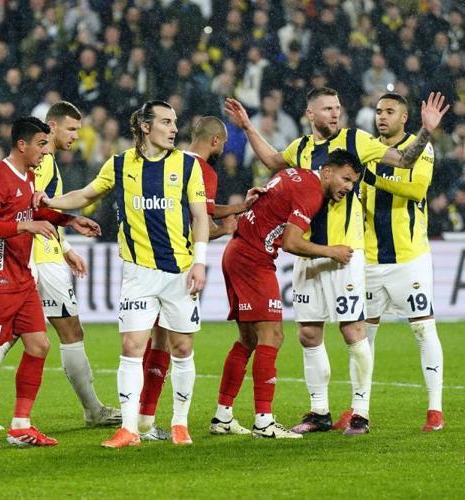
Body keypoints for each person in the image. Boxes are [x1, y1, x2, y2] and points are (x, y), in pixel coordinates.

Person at [225, 88, 448, 435]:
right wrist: (247, 127)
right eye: (327, 108)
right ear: (310, 114)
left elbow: (404, 160)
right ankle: (319, 412)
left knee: (354, 331)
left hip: (345, 254)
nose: (334, 113)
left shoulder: (356, 141)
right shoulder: (300, 147)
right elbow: (272, 161)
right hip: (307, 252)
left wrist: (426, 130)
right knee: (308, 333)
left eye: (337, 108)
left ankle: (360, 412)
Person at [34, 100, 210, 448]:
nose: (174, 129)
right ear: (145, 127)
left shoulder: (188, 166)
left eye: (175, 122)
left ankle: (180, 423)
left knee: (182, 346)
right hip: (137, 273)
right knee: (131, 346)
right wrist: (51, 202)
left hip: (179, 271)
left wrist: (201, 262)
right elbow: (85, 194)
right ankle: (129, 428)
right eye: (166, 122)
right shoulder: (120, 164)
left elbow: (201, 216)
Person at [0, 101, 121, 431]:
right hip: (39, 261)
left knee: (18, 337)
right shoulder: (39, 163)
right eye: (71, 129)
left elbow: (39, 211)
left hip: (42, 256)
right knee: (67, 332)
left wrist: (67, 242)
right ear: (52, 127)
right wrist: (39, 258)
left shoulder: (44, 163)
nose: (75, 135)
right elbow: (29, 211)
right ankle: (92, 410)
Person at [214, 149, 362, 439]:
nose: (348, 187)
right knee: (273, 336)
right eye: (345, 179)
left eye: (353, 183)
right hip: (253, 259)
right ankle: (264, 421)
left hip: (237, 251)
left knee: (248, 340)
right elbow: (292, 243)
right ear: (327, 171)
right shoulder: (311, 192)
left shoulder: (295, 175)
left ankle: (223, 415)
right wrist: (331, 251)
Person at [135, 116, 258, 441]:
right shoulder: (202, 170)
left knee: (151, 341)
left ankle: (143, 419)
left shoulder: (169, 160)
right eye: (223, 143)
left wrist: (234, 209)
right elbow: (199, 222)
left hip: (147, 262)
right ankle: (165, 421)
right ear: (215, 141)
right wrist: (226, 227)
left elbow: (194, 210)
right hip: (179, 266)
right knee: (176, 344)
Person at [360, 93, 444, 432]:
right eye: (379, 111)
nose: (382, 117)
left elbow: (417, 188)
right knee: (362, 336)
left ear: (404, 118)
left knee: (423, 329)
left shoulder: (421, 148)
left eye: (390, 111)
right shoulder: (367, 148)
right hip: (369, 259)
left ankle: (435, 409)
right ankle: (359, 409)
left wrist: (373, 178)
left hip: (410, 258)